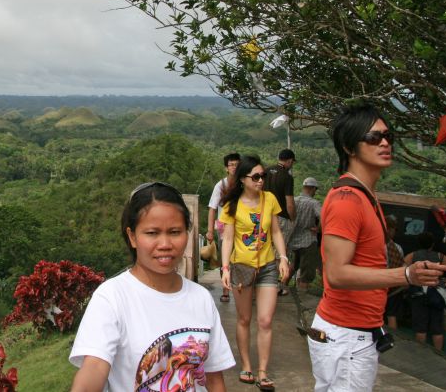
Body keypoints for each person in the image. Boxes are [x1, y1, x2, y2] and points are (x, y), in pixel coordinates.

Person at [308, 103, 446, 392]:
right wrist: (406, 275)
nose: (385, 143)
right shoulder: (347, 199)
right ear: (349, 147)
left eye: (388, 136)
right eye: (373, 138)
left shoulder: (366, 196)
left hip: (358, 334)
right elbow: (336, 274)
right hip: (346, 337)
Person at [70, 182, 235, 391]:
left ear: (188, 233)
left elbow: (213, 378)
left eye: (175, 232)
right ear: (132, 237)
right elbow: (93, 369)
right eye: (152, 233)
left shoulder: (201, 298)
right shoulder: (111, 297)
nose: (165, 244)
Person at [219, 155, 290, 391]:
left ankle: (263, 371)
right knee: (244, 319)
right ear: (242, 180)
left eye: (263, 176)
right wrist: (225, 268)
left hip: (268, 266)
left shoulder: (269, 199)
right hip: (242, 267)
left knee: (265, 320)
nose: (261, 180)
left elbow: (277, 233)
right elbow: (227, 238)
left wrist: (283, 258)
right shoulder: (232, 205)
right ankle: (246, 365)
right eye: (256, 176)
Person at [405, 231, 446, 350]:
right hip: (436, 294)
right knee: (437, 329)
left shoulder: (412, 256)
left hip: (418, 293)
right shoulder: (439, 257)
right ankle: (439, 356)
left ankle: (421, 356)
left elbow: (402, 271)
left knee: (420, 329)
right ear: (432, 244)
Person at [207, 152, 240, 303]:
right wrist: (209, 231)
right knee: (225, 261)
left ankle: (241, 288)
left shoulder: (244, 184)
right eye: (231, 165)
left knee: (241, 260)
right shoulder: (221, 185)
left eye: (237, 164)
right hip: (224, 228)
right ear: (226, 168)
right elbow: (212, 208)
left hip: (242, 228)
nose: (234, 167)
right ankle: (226, 290)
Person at [263, 148, 296, 296]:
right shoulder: (287, 177)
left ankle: (262, 283)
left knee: (264, 248)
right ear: (289, 161)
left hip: (263, 216)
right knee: (279, 254)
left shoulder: (265, 171)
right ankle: (277, 286)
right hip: (281, 217)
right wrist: (293, 217)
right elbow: (289, 203)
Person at [288, 177, 322, 291]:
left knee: (292, 266)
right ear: (312, 189)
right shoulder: (314, 203)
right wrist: (318, 228)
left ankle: (281, 287)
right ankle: (302, 298)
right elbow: (323, 217)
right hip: (308, 241)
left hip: (294, 240)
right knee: (306, 274)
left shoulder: (294, 201)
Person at [383, 216, 405, 330]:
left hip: (377, 285)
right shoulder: (397, 248)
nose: (394, 232)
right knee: (392, 315)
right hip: (394, 287)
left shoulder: (374, 245)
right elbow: (402, 267)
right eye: (394, 229)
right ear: (389, 229)